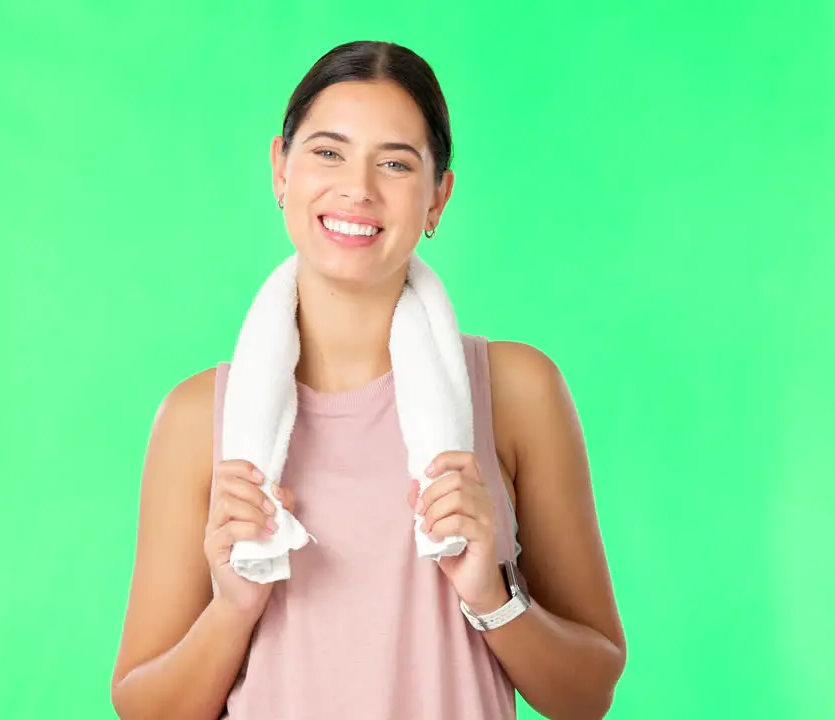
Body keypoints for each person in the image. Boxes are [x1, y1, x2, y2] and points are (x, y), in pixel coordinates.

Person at [110, 40, 626, 719]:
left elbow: (587, 694)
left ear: (438, 197)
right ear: (280, 171)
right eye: (327, 152)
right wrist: (233, 609)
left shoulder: (515, 392)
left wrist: (494, 596)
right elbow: (143, 706)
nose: (358, 188)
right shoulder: (198, 417)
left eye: (395, 163)